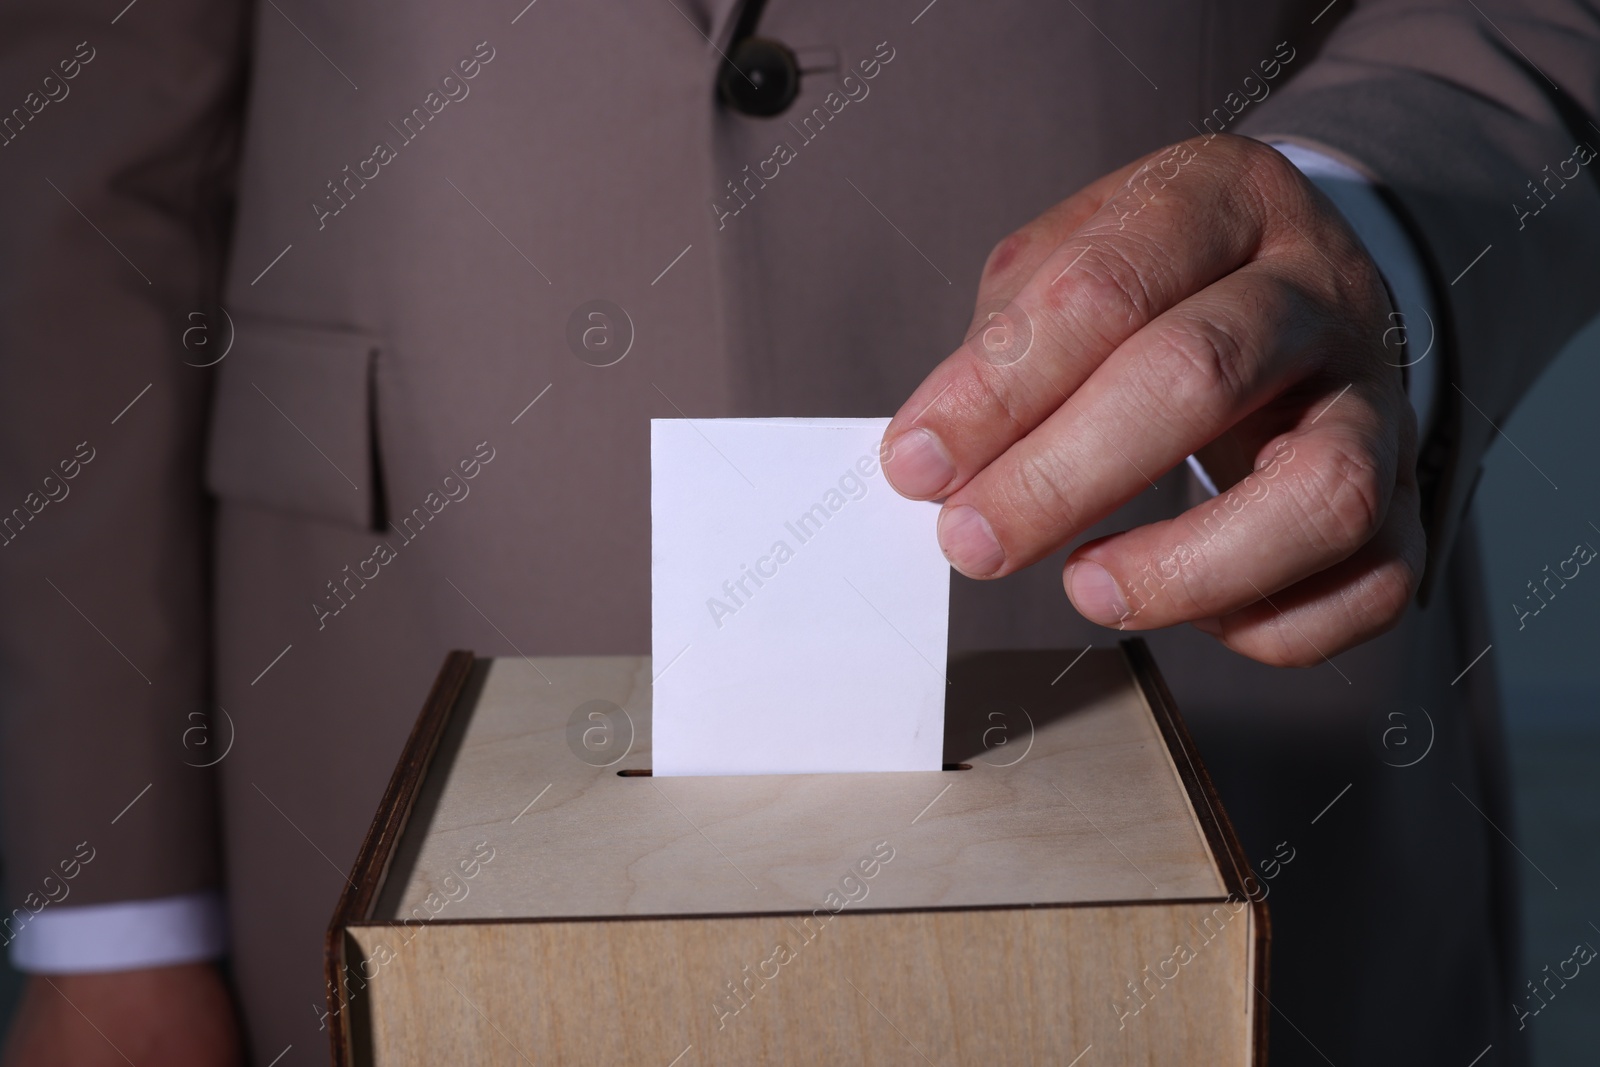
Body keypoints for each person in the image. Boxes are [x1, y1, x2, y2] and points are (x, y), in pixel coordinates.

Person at [0, 1, 1595, 1064]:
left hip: (1213, 645)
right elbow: (86, 116)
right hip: (373, 677)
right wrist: (109, 916)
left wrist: (1368, 217)